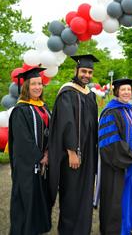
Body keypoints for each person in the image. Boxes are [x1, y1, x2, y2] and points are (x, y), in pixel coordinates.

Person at [48, 54, 99, 235]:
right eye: (83, 71)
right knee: (71, 192)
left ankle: (82, 229)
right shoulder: (67, 93)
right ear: (76, 70)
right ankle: (69, 230)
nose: (86, 75)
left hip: (88, 154)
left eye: (89, 72)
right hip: (73, 154)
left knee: (85, 192)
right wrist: (71, 152)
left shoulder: (90, 95)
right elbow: (66, 124)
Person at [95, 78, 132, 234]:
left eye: (129, 90)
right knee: (115, 197)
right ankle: (115, 230)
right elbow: (110, 141)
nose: (126, 92)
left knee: (130, 193)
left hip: (130, 160)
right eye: (123, 90)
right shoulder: (110, 112)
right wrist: (131, 155)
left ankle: (128, 226)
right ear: (116, 92)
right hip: (115, 163)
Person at [8, 67, 51, 235]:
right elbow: (23, 140)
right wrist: (40, 157)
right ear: (26, 86)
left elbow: (50, 130)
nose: (37, 87)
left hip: (43, 160)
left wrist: (48, 152)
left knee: (40, 195)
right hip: (28, 164)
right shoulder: (21, 110)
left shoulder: (43, 106)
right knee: (27, 196)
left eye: (39, 83)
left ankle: (38, 227)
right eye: (33, 84)